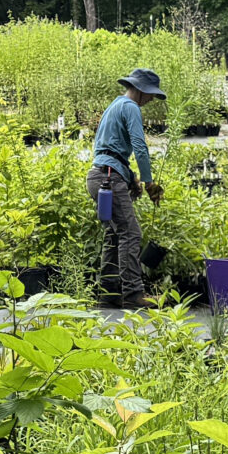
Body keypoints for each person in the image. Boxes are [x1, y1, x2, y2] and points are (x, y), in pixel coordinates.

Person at [89, 67, 167, 309]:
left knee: (115, 235)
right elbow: (139, 146)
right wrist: (148, 180)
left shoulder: (114, 105)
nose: (152, 100)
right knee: (131, 234)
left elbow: (106, 150)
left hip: (98, 176)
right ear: (142, 91)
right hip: (109, 178)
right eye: (152, 95)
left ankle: (108, 294)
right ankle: (133, 294)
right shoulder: (131, 107)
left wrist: (130, 177)